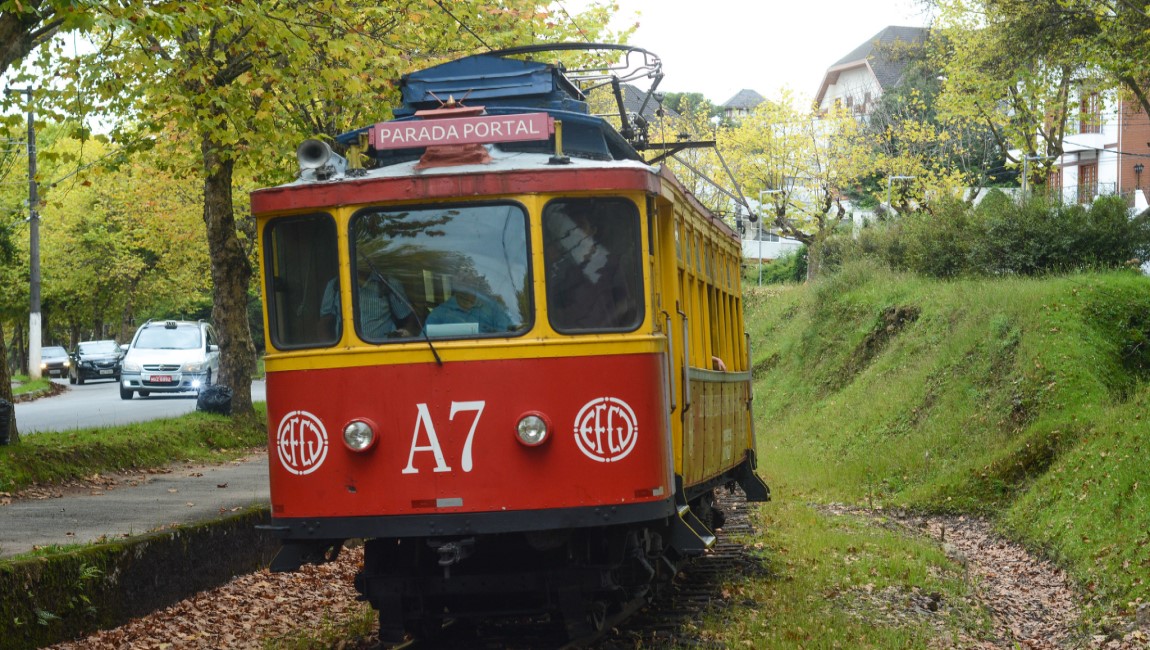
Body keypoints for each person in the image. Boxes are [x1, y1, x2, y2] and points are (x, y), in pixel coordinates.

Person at [320, 266, 417, 340]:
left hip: (384, 353)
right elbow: (325, 323)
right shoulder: (335, 285)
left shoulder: (388, 284)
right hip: (346, 353)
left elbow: (408, 319)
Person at [425, 281, 513, 334]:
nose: (467, 283)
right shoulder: (439, 313)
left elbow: (510, 334)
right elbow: (424, 341)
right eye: (462, 279)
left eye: (471, 280)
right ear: (455, 283)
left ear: (477, 284)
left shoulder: (494, 309)